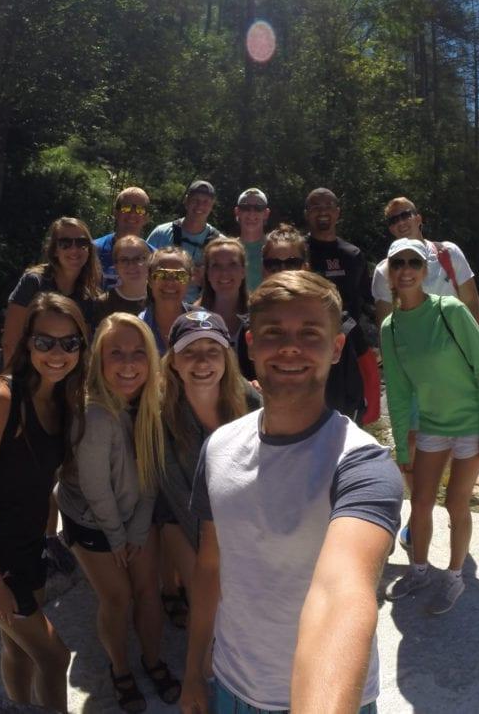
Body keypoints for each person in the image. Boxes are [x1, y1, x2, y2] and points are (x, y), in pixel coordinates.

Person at [178, 271, 403, 714]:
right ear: (249, 344)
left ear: (337, 348)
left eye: (310, 334)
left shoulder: (362, 464)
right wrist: (192, 671)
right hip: (230, 682)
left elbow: (343, 592)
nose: (289, 347)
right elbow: (210, 565)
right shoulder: (219, 447)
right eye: (273, 333)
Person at [0, 292, 86, 711]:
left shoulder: (61, 400)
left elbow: (41, 482)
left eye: (69, 343)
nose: (57, 353)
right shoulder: (0, 398)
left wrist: (50, 541)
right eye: (45, 341)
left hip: (29, 547)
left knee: (17, 649)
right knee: (53, 656)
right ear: (27, 342)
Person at [55, 313, 180, 711]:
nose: (128, 364)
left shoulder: (150, 404)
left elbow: (149, 477)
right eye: (116, 354)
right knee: (118, 598)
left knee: (148, 591)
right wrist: (119, 538)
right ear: (98, 361)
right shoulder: (94, 416)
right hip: (94, 521)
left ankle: (153, 659)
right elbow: (96, 490)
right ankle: (120, 668)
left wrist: (139, 531)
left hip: (132, 516)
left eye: (137, 353)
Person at [379, 238, 479, 614]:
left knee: (456, 502)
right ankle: (419, 571)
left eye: (412, 263)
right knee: (419, 501)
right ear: (389, 274)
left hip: (470, 423)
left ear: (425, 270)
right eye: (397, 264)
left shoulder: (450, 310)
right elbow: (398, 394)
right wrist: (402, 446)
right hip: (432, 423)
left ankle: (454, 576)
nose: (405, 270)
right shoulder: (391, 328)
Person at [157, 311, 258, 624]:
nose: (202, 363)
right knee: (211, 603)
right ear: (173, 361)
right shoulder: (160, 415)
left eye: (213, 352)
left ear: (226, 358)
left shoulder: (252, 402)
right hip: (180, 518)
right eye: (190, 352)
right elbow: (177, 494)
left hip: (238, 519)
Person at [236, 224, 364, 421]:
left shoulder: (335, 323)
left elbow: (351, 391)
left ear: (305, 266)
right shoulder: (249, 324)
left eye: (292, 263)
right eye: (273, 264)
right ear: (263, 268)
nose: (283, 270)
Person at [371, 197, 479, 331]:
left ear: (418, 219)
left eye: (405, 215)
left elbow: (471, 303)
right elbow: (385, 327)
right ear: (391, 228)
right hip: (414, 347)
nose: (401, 222)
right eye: (393, 220)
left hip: (456, 344)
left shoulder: (449, 253)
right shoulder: (384, 271)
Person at [2, 217, 102, 366]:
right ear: (55, 250)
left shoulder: (88, 297)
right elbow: (10, 343)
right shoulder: (33, 282)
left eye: (81, 243)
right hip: (20, 372)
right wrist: (14, 383)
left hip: (58, 374)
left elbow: (82, 350)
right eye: (65, 244)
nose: (74, 249)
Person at [303, 187, 372, 341]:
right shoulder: (296, 253)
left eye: (329, 206)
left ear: (337, 212)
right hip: (309, 341)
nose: (322, 212)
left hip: (350, 342)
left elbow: (367, 301)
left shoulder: (353, 255)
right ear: (306, 214)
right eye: (316, 207)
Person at [146, 180, 223, 303]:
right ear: (186, 201)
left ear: (212, 205)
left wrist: (206, 280)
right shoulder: (161, 233)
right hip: (160, 305)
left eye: (205, 202)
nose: (199, 206)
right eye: (195, 200)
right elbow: (143, 271)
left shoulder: (220, 244)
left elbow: (225, 285)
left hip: (200, 311)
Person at [139, 246, 198, 354]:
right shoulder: (137, 328)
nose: (170, 282)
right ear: (150, 280)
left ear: (189, 280)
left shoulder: (203, 323)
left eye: (180, 275)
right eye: (161, 275)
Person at [94, 187, 153, 290]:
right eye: (126, 207)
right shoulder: (94, 250)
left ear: (147, 217)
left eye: (140, 209)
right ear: (115, 212)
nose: (132, 214)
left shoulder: (153, 257)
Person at [197, 237, 248, 347]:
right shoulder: (192, 318)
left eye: (232, 264)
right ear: (208, 273)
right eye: (216, 265)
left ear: (243, 271)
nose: (224, 272)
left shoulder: (258, 314)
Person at [94, 235, 150, 321]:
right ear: (116, 266)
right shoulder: (104, 304)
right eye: (124, 260)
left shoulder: (159, 297)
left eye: (138, 259)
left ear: (149, 262)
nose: (131, 265)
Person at [233, 188, 270, 292]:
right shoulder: (229, 250)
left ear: (266, 214)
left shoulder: (274, 249)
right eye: (245, 207)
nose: (251, 213)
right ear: (237, 212)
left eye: (258, 208)